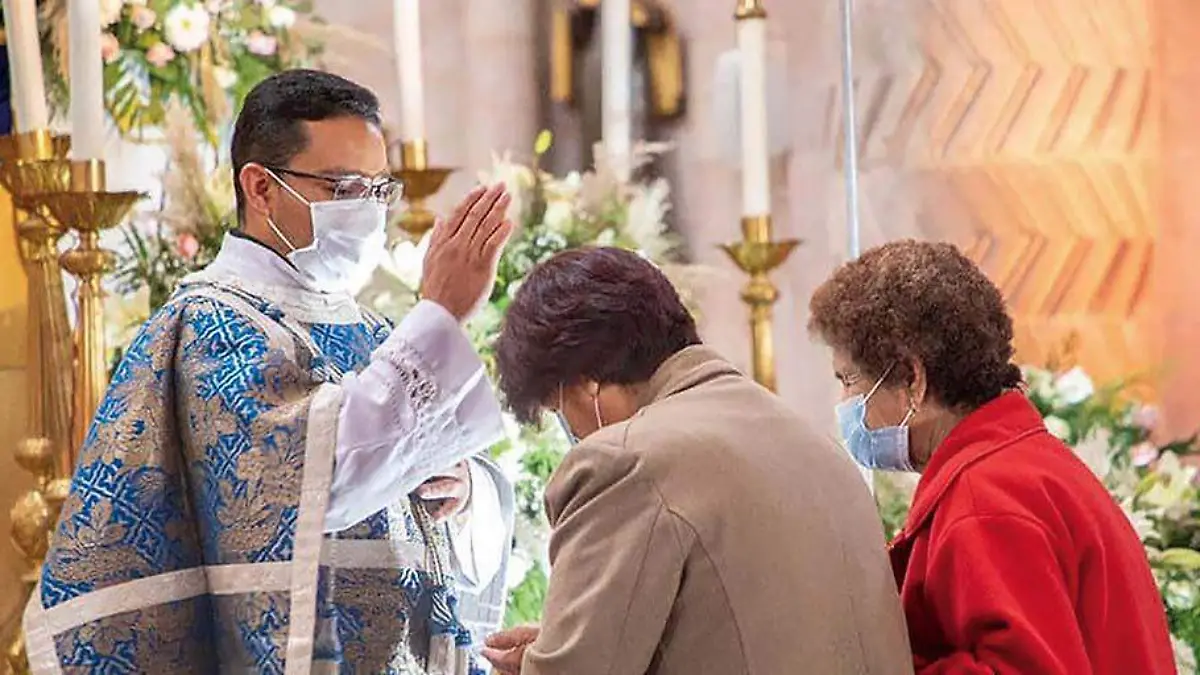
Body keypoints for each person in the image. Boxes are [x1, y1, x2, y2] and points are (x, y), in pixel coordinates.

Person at [26, 70, 516, 674]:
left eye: (378, 190)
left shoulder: (373, 330)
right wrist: (440, 312)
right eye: (343, 187)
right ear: (260, 187)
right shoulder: (208, 328)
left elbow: (448, 526)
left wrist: (464, 492)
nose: (367, 211)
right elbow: (305, 492)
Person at [480, 247, 913, 675]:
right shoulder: (815, 443)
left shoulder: (624, 462)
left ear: (585, 384)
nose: (570, 431)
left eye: (559, 411)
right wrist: (556, 645)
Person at [807, 240, 1176, 674]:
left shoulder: (985, 501)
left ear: (912, 378)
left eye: (849, 379)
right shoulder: (1020, 464)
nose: (844, 401)